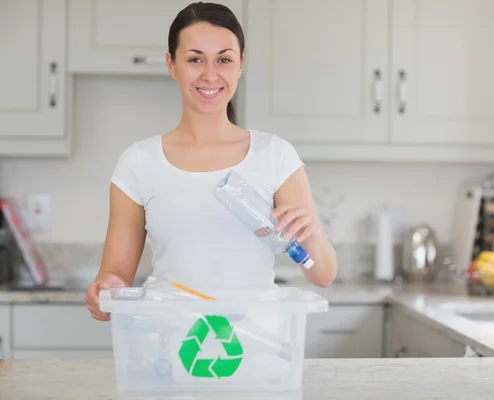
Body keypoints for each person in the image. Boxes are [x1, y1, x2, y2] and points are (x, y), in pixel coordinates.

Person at [85, 2, 338, 321]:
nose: (210, 74)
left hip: (256, 346)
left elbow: (324, 275)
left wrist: (310, 232)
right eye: (194, 59)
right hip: (170, 346)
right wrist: (107, 290)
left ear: (240, 64)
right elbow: (116, 274)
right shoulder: (138, 162)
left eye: (224, 60)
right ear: (171, 64)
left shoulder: (274, 156)